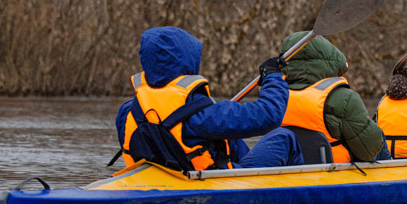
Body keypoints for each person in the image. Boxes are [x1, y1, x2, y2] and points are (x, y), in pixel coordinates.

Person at [115, 26, 288, 170]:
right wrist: (273, 76)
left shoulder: (127, 111)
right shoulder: (202, 115)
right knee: (284, 137)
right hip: (209, 186)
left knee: (231, 138)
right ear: (188, 62)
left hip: (154, 182)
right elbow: (270, 114)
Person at [238, 31, 388, 167]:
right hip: (332, 177)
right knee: (376, 135)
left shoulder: (274, 96)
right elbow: (368, 151)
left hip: (287, 172)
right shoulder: (343, 98)